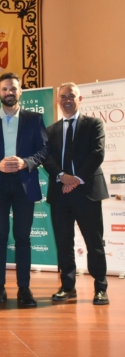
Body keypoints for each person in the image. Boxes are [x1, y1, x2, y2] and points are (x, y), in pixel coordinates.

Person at [0, 72, 48, 307]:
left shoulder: (35, 119)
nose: (9, 92)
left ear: (21, 92)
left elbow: (43, 151)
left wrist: (25, 163)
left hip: (24, 184)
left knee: (22, 237)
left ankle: (24, 289)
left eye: (13, 88)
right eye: (5, 89)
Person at [43, 82, 109, 305]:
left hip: (87, 191)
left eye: (72, 96)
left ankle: (100, 288)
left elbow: (97, 154)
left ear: (80, 100)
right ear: (58, 101)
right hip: (60, 193)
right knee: (64, 242)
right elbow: (46, 158)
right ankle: (68, 286)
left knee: (94, 241)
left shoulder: (94, 124)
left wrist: (76, 179)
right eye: (63, 96)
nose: (67, 100)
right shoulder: (51, 130)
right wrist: (63, 176)